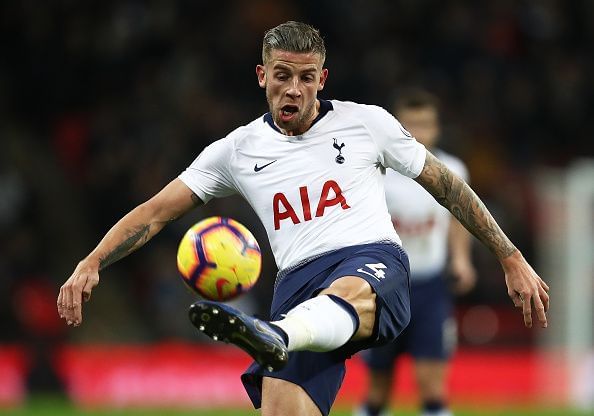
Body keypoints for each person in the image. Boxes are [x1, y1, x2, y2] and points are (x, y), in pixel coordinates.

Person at [57, 21, 549, 416]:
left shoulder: (367, 123)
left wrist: (510, 256)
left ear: (322, 79)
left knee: (343, 297)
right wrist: (93, 261)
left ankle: (280, 335)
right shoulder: (236, 150)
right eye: (282, 75)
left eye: (306, 77)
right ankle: (283, 333)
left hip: (371, 262)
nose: (293, 89)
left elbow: (447, 185)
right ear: (261, 75)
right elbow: (155, 213)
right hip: (295, 287)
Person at [356, 89, 476, 416]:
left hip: (430, 288)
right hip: (384, 289)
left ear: (437, 129)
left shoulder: (452, 169)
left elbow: (459, 218)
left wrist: (461, 259)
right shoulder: (379, 173)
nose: (419, 132)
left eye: (425, 124)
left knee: (433, 388)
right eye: (411, 124)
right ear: (397, 127)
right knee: (378, 390)